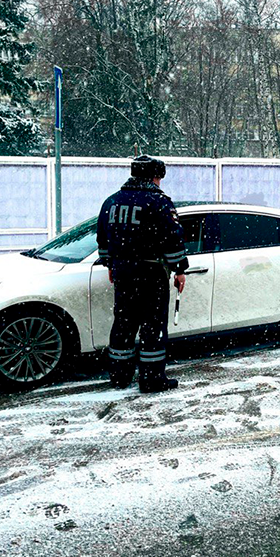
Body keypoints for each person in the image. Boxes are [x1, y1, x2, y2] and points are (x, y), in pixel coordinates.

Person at [96, 155, 187, 391]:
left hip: (123, 272)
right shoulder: (159, 202)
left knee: (123, 324)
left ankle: (119, 376)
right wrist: (179, 269)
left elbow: (103, 238)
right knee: (153, 326)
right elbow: (172, 238)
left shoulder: (112, 202)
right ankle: (151, 379)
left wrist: (110, 265)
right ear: (155, 176)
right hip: (151, 272)